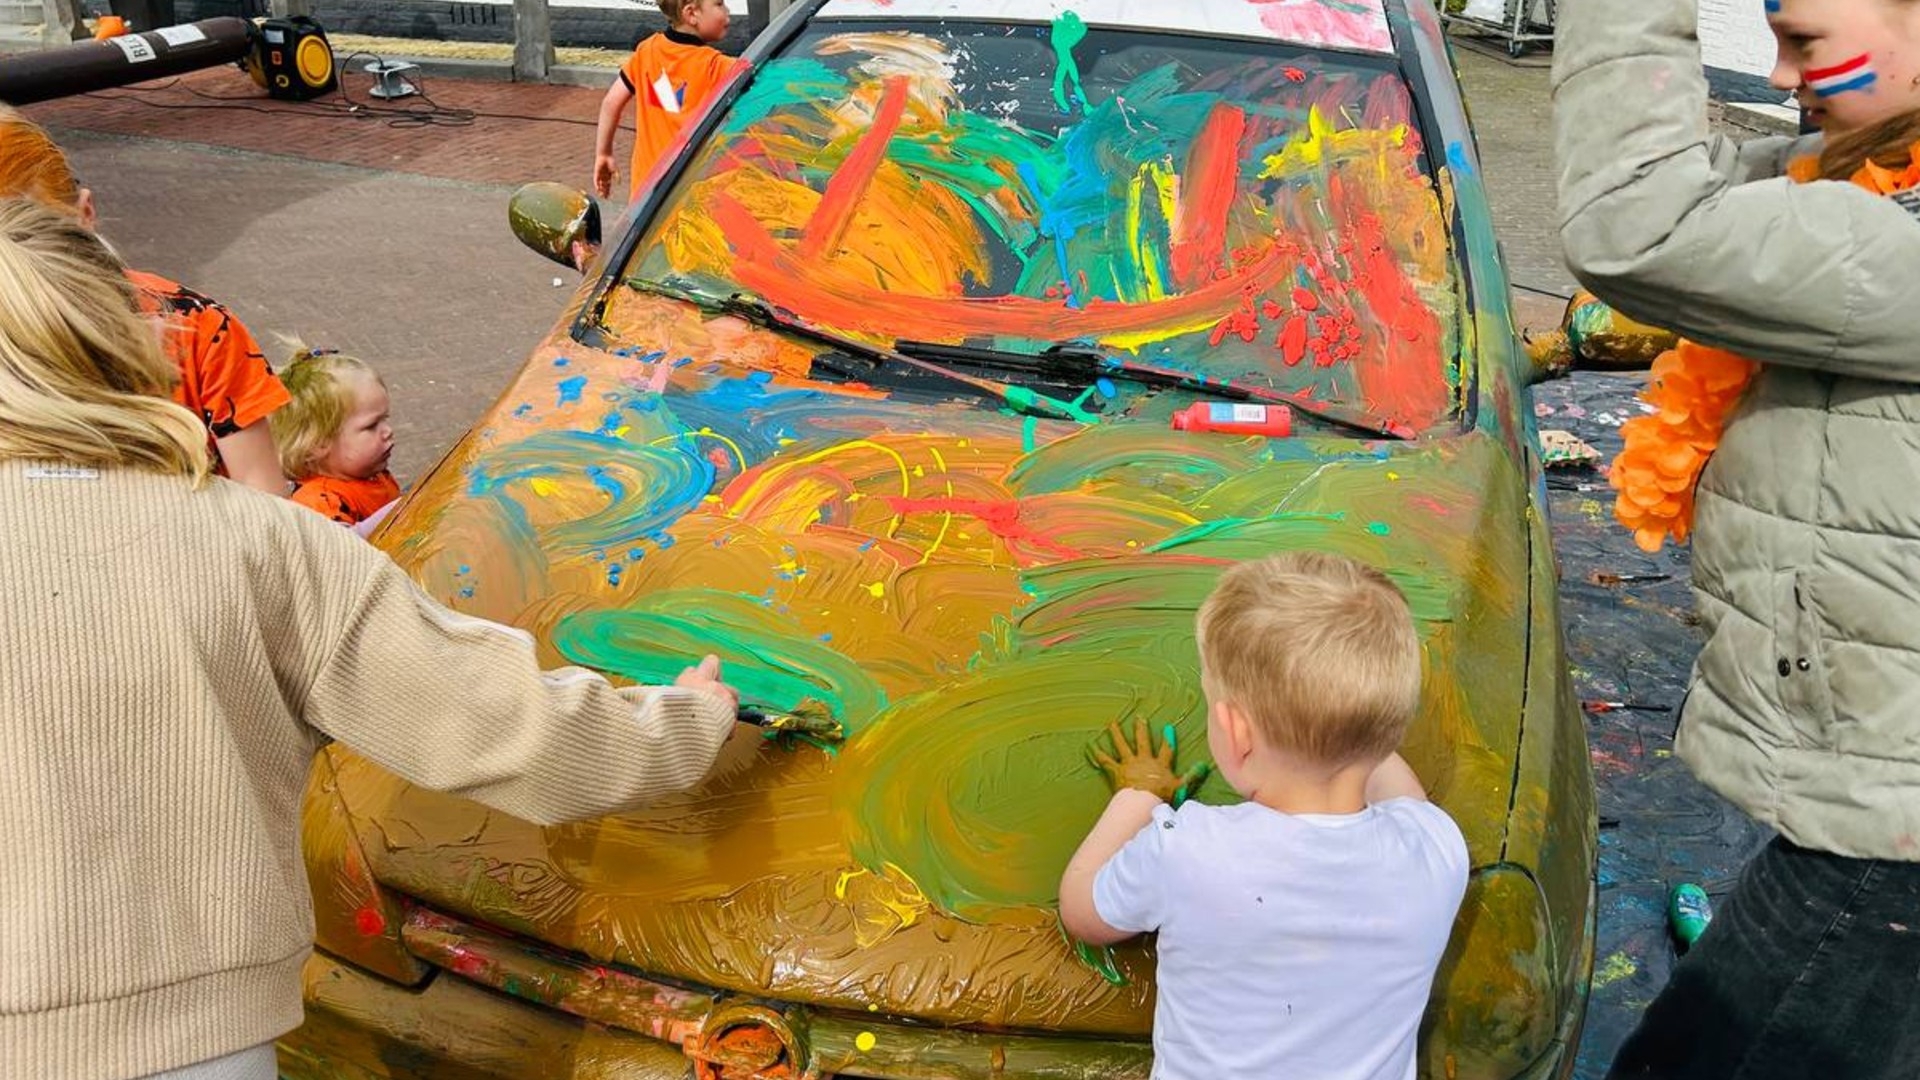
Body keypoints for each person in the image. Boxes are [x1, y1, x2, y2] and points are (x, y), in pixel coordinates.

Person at [0, 197, 752, 1080]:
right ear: (122, 342)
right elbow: (497, 724)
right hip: (186, 1043)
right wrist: (685, 720)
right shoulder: (259, 543)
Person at [1554, 0, 1920, 1075]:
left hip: (1887, 835)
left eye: (1806, 40)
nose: (1781, 75)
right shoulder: (1870, 174)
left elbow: (1641, 222)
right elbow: (1712, 190)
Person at [1058, 552, 1468, 1080]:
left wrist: (1138, 796)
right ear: (1388, 728)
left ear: (1236, 735)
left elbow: (1083, 912)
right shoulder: (1435, 848)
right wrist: (1353, 727)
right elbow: (1404, 797)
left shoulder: (1190, 850)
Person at [0, 104, 290, 495]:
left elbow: (263, 491)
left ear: (86, 213)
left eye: (41, 242)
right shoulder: (196, 325)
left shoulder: (198, 328)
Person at [592, 0, 733, 201]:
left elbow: (611, 102)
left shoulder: (646, 50)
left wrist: (603, 154)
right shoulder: (716, 66)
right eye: (719, 4)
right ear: (691, 13)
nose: (727, 11)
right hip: (688, 192)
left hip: (646, 193)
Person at [271, 348, 401, 531]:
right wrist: (401, 508)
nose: (388, 431)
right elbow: (343, 544)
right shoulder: (319, 502)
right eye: (371, 426)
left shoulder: (371, 472)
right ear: (318, 443)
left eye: (384, 419)